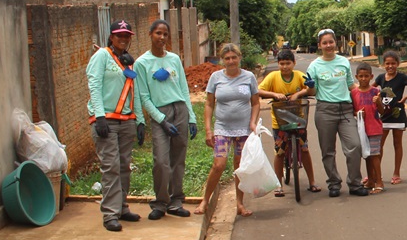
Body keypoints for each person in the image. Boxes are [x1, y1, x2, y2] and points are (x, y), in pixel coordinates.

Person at [290, 28, 367, 198]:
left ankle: (355, 183)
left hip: (345, 110)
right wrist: (310, 85)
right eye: (324, 43)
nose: (328, 45)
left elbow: (350, 85)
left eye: (331, 42)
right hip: (325, 110)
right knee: (328, 150)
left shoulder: (343, 62)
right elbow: (311, 92)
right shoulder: (315, 66)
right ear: (319, 45)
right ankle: (334, 183)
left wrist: (367, 92)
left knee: (354, 146)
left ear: (335, 43)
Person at [134, 19, 197, 220]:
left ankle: (176, 201)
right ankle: (160, 203)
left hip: (179, 110)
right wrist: (161, 120)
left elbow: (184, 89)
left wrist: (191, 117)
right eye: (158, 33)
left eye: (165, 34)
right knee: (161, 161)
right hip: (160, 114)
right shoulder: (142, 63)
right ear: (150, 34)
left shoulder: (174, 59)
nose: (162, 38)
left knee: (178, 159)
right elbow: (144, 96)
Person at [87, 20, 145, 232]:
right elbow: (94, 85)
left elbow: (134, 90)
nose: (123, 39)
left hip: (126, 121)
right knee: (110, 167)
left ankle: (121, 207)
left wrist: (139, 119)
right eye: (119, 35)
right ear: (111, 37)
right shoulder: (101, 56)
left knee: (123, 166)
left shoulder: (128, 61)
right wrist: (100, 116)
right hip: (106, 121)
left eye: (127, 35)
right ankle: (110, 214)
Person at [196, 43, 260, 217]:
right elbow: (209, 104)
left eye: (234, 57)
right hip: (222, 128)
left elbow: (255, 103)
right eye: (227, 58)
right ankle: (205, 200)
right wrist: (208, 130)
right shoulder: (216, 78)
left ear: (239, 58)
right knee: (219, 165)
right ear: (222, 60)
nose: (231, 61)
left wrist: (253, 123)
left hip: (243, 129)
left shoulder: (249, 77)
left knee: (240, 166)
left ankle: (239, 203)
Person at [257, 47, 321, 196]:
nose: (285, 66)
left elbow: (311, 91)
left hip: (299, 119)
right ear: (278, 64)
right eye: (282, 63)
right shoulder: (273, 77)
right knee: (279, 152)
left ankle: (312, 182)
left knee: (304, 148)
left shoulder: (299, 75)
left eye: (288, 63)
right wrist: (274, 94)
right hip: (279, 121)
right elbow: (259, 90)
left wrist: (301, 92)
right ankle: (279, 185)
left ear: (293, 63)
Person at [377, 50, 407, 185]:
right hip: (384, 116)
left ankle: (396, 173)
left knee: (397, 144)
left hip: (398, 116)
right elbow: (371, 89)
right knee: (379, 146)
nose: (390, 66)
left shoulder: (402, 77)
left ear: (398, 64)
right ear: (383, 64)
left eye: (393, 63)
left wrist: (405, 97)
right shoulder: (380, 78)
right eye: (387, 63)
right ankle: (375, 173)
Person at [351, 62, 384, 194]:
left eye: (366, 76)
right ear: (356, 77)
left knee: (375, 155)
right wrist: (358, 114)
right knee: (366, 155)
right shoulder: (353, 93)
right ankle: (370, 180)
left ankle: (379, 182)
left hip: (375, 128)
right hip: (362, 130)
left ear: (371, 76)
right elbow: (353, 110)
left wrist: (379, 102)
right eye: (361, 76)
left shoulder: (376, 92)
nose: (363, 79)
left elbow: (382, 111)